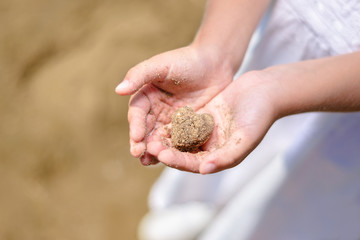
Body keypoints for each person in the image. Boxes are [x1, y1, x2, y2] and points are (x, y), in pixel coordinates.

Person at [116, 0, 360, 239]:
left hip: (343, 98)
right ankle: (196, 209)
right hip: (266, 45)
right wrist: (214, 49)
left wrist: (274, 91)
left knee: (276, 200)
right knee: (223, 178)